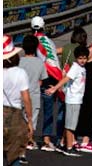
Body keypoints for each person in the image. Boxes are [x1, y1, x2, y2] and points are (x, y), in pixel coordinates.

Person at [45, 46, 89, 157]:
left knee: (70, 124)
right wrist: (55, 88)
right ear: (76, 58)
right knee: (70, 125)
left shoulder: (81, 68)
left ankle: (64, 143)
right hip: (73, 100)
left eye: (84, 58)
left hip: (76, 99)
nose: (82, 60)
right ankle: (69, 148)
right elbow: (66, 79)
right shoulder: (76, 68)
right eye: (80, 58)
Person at [31, 16, 65, 152]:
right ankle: (46, 140)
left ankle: (30, 139)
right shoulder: (49, 42)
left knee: (32, 110)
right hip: (51, 78)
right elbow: (53, 59)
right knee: (48, 110)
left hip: (37, 78)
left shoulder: (32, 42)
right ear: (44, 27)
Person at [3, 35, 34, 166]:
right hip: (14, 114)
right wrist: (30, 120)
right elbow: (26, 99)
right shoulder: (20, 73)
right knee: (14, 154)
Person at [19, 35, 47, 152]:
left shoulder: (19, 61)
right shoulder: (39, 63)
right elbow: (42, 79)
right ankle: (29, 141)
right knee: (31, 119)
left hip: (19, 94)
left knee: (21, 118)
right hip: (34, 94)